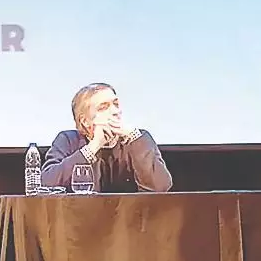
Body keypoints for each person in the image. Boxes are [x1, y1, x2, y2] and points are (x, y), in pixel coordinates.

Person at [41, 82, 173, 193]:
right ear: (85, 121)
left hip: (132, 215)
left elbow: (160, 187)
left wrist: (134, 137)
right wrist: (92, 148)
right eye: (104, 107)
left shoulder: (138, 139)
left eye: (116, 104)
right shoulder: (68, 140)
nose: (116, 112)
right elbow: (47, 183)